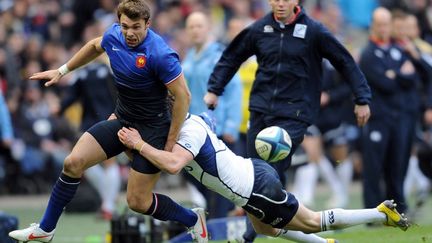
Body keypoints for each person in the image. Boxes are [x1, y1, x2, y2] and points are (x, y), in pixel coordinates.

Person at [9, 1, 208, 242]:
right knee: (72, 162)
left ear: (148, 24)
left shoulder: (160, 54)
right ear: (118, 24)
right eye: (125, 26)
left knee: (137, 201)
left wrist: (170, 140)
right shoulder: (114, 35)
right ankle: (45, 230)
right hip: (123, 119)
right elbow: (94, 46)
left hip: (153, 129)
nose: (130, 33)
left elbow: (183, 97)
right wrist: (62, 71)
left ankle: (192, 219)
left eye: (136, 27)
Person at [203, 0, 372, 241]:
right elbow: (232, 56)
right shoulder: (259, 28)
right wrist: (214, 89)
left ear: (296, 1)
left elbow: (344, 61)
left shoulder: (314, 31)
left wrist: (362, 98)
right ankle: (273, 223)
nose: (280, 4)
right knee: (254, 172)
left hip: (294, 114)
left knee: (270, 168)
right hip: (261, 111)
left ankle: (254, 231)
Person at [117, 112, 410, 243]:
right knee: (266, 229)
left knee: (312, 222)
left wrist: (139, 144)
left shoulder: (188, 132)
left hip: (255, 188)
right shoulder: (188, 123)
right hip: (252, 174)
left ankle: (380, 212)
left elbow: (171, 164)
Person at [358, 7, 424, 215]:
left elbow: (411, 78)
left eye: (387, 24)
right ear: (373, 26)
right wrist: (398, 74)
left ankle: (398, 210)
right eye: (380, 24)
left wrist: (394, 74)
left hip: (399, 117)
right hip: (378, 118)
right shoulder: (368, 54)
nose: (384, 28)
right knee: (374, 167)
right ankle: (371, 214)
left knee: (397, 166)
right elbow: (385, 83)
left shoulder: (398, 49)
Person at [182, 11, 242, 219]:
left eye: (199, 26)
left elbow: (235, 91)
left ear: (208, 29)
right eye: (191, 26)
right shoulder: (189, 57)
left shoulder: (219, 56)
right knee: (191, 173)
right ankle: (219, 216)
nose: (195, 30)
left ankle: (220, 224)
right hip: (194, 128)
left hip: (218, 128)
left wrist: (232, 126)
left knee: (220, 182)